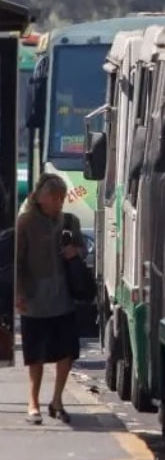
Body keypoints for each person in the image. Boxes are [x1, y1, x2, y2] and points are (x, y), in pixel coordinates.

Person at [15, 173, 85, 425]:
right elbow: (17, 263)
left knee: (67, 351)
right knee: (36, 355)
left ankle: (57, 400)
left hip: (63, 297)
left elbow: (82, 249)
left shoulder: (70, 221)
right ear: (40, 198)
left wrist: (75, 250)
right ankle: (33, 403)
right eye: (53, 197)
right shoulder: (26, 222)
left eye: (61, 197)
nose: (58, 202)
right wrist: (19, 294)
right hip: (35, 300)